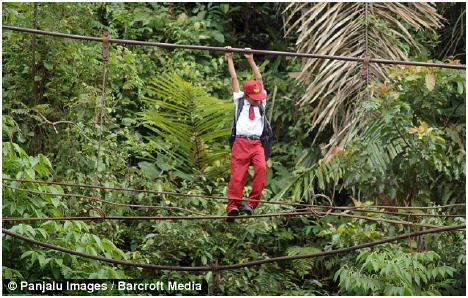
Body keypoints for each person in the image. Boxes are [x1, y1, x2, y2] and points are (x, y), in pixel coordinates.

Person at [225, 46, 267, 222]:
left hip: (256, 144)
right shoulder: (240, 101)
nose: (257, 101)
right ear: (247, 95)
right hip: (241, 142)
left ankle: (251, 204)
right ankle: (233, 206)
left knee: (261, 169)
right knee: (237, 175)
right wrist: (229, 58)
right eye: (254, 98)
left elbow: (259, 78)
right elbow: (234, 77)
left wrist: (250, 59)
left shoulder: (262, 101)